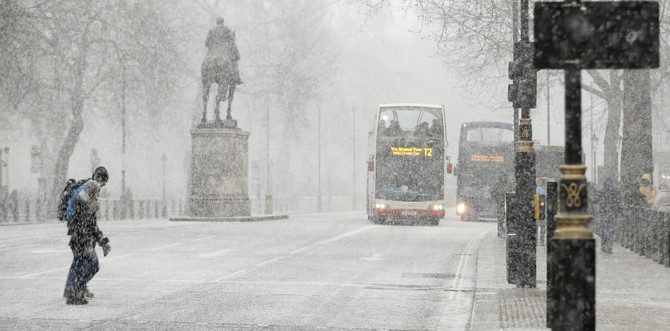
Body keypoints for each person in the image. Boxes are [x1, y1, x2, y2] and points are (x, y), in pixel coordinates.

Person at [64, 166, 109, 303]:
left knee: (80, 263)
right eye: (103, 182)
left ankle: (75, 289)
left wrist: (100, 239)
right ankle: (74, 289)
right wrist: (79, 230)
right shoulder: (84, 200)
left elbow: (91, 224)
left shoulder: (89, 203)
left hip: (82, 238)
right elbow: (86, 222)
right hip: (80, 239)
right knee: (84, 264)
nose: (100, 193)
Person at [205, 17, 242, 85]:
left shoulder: (211, 31)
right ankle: (237, 77)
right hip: (224, 54)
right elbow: (232, 43)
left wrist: (213, 46)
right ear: (223, 22)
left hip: (212, 54)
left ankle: (205, 77)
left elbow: (206, 43)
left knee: (206, 62)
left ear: (217, 22)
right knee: (234, 62)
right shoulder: (227, 30)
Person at [594, 178, 620, 254]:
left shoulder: (601, 191)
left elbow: (595, 200)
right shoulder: (616, 191)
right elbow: (619, 201)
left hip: (603, 214)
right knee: (611, 230)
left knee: (604, 230)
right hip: (612, 214)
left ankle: (603, 246)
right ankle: (609, 247)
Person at [491, 174, 511, 238]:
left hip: (508, 203)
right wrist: (497, 197)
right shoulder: (497, 184)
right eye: (503, 176)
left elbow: (512, 192)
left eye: (505, 176)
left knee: (508, 218)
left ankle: (507, 232)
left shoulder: (509, 184)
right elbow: (493, 192)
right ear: (501, 177)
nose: (504, 177)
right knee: (500, 218)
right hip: (500, 203)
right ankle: (500, 231)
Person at [536, 178, 547, 245]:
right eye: (538, 181)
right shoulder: (536, 189)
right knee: (536, 225)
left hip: (542, 209)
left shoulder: (545, 190)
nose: (539, 182)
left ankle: (542, 240)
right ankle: (536, 239)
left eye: (540, 181)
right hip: (537, 209)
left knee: (543, 225)